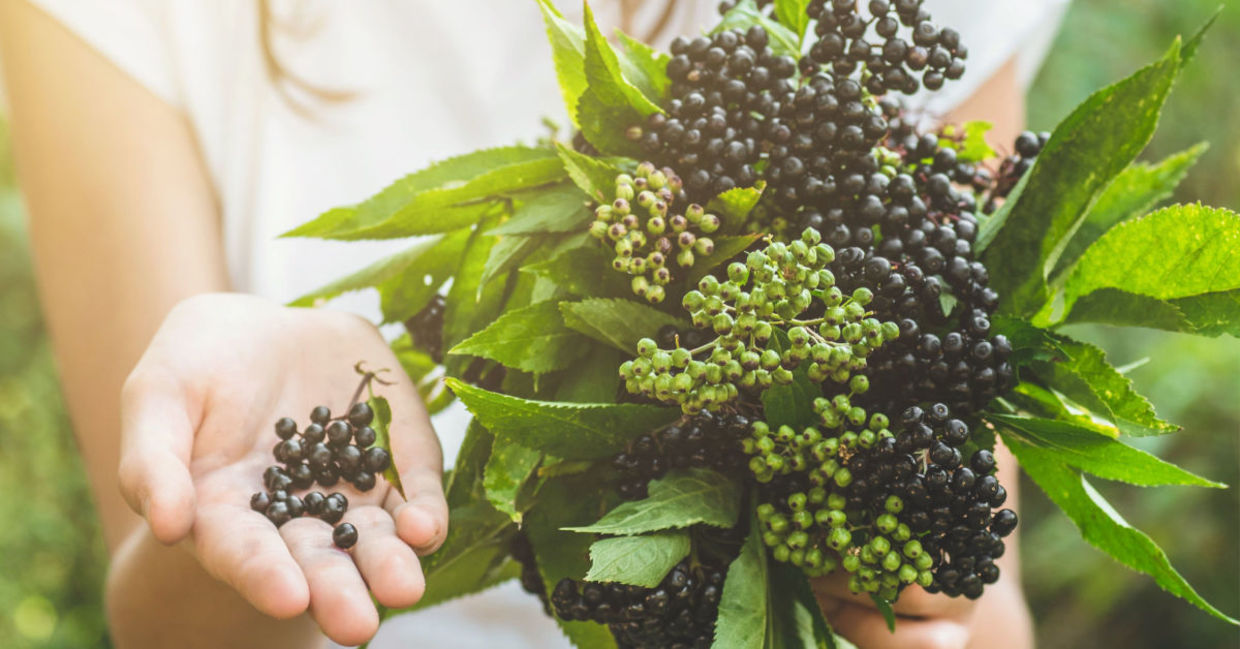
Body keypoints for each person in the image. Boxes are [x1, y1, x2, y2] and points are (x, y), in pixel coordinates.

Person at [0, 0, 1066, 647]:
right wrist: (256, 487)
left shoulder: (882, 29)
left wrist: (897, 592)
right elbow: (165, 630)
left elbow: (983, 607)